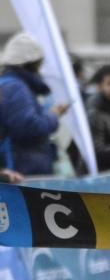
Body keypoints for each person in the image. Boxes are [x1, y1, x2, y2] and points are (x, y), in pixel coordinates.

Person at [0, 32, 69, 175]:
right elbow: (29, 128)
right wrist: (53, 115)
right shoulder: (16, 88)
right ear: (32, 63)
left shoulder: (11, 85)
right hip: (20, 172)